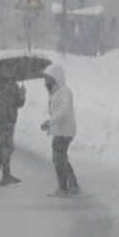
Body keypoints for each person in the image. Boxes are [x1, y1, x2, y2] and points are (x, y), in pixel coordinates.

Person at [40, 63, 80, 196]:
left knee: (58, 159)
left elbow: (64, 109)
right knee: (61, 158)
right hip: (61, 131)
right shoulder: (56, 92)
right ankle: (72, 185)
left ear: (55, 78)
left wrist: (50, 122)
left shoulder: (64, 91)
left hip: (65, 132)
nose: (45, 82)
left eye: (47, 79)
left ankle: (63, 188)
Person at [0, 65, 26, 185]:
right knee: (6, 148)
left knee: (5, 148)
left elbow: (19, 103)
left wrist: (22, 94)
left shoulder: (13, 86)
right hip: (3, 122)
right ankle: (0, 175)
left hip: (9, 121)